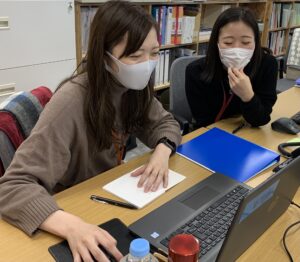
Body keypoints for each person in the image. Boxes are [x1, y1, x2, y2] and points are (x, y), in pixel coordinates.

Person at [0, 1, 181, 261]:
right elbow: (12, 187)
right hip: (72, 207)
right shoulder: (71, 102)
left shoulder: (133, 88)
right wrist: (72, 226)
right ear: (104, 55)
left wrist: (162, 151)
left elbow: (166, 123)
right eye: (135, 55)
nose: (148, 64)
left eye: (154, 53)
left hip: (107, 196)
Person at [186, 7, 278, 128]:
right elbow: (204, 123)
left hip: (248, 134)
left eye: (245, 42)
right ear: (216, 42)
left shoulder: (267, 64)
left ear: (256, 42)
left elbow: (261, 119)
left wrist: (247, 96)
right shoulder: (196, 71)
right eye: (228, 43)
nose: (237, 49)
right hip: (214, 135)